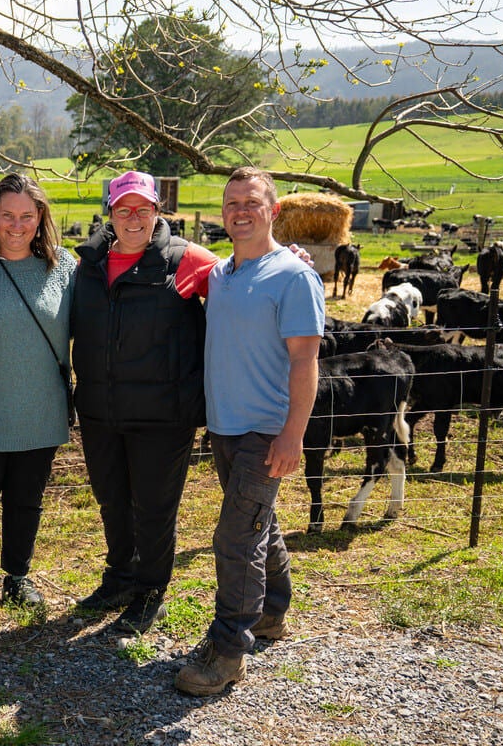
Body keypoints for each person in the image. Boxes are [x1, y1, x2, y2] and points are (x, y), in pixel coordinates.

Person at [175, 166, 324, 696]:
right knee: (259, 522)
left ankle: (228, 652)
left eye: (252, 202)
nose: (241, 211)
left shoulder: (295, 276)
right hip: (225, 427)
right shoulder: (220, 273)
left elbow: (305, 359)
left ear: (273, 211)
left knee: (235, 538)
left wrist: (293, 434)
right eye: (232, 202)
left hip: (266, 429)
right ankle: (272, 613)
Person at [70, 170, 218, 634]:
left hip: (163, 415)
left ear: (157, 211)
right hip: (100, 409)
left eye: (143, 209)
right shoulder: (88, 264)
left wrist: (287, 260)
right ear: (110, 213)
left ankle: (151, 592)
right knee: (112, 501)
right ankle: (120, 578)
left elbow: (245, 284)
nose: (133, 218)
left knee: (154, 509)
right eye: (123, 209)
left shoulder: (187, 260)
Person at [0, 173, 77, 613]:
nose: (16, 225)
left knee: (27, 501)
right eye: (7, 215)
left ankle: (18, 575)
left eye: (27, 215)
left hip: (41, 407)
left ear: (40, 217)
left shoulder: (63, 267)